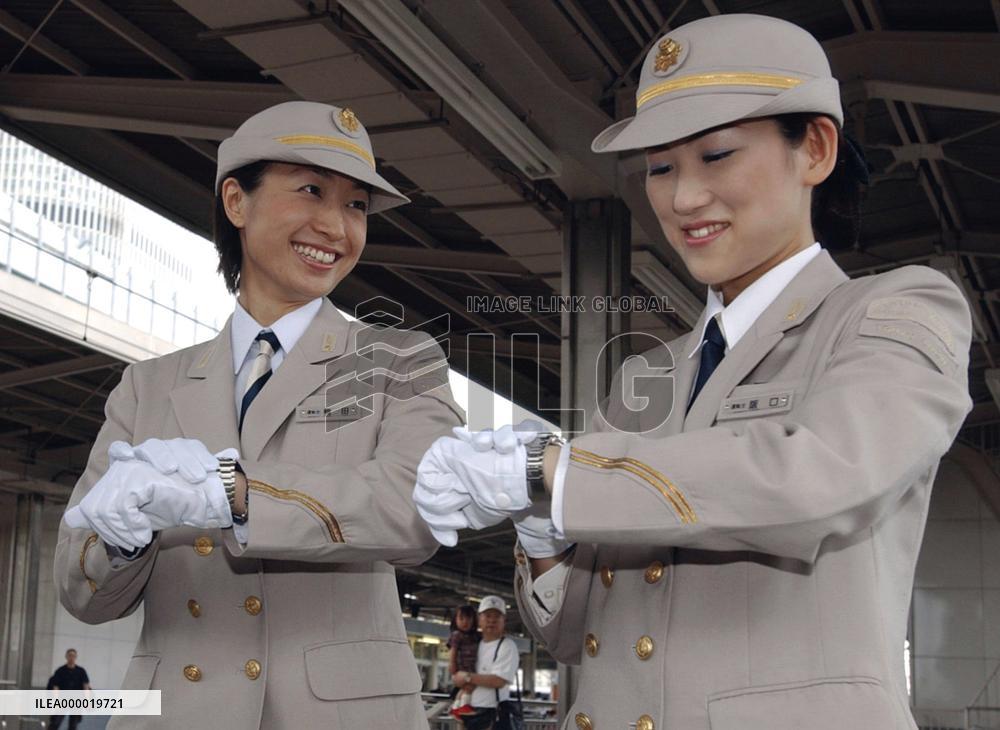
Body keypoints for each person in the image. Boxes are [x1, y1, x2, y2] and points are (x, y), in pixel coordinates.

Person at [413, 13, 973, 730]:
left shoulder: (889, 311)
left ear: (817, 150)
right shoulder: (646, 379)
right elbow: (580, 635)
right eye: (660, 167)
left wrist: (553, 473)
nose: (682, 199)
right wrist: (541, 534)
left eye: (716, 155)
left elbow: (821, 477)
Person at [55, 100, 464, 729]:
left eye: (356, 205)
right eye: (311, 191)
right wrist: (118, 539)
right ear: (236, 202)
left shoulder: (400, 360)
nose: (336, 226)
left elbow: (421, 509)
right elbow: (83, 595)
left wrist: (240, 498)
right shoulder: (147, 386)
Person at [452, 596, 519, 730]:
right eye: (487, 615)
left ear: (504, 621)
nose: (491, 620)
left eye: (497, 616)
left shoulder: (507, 646)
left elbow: (498, 681)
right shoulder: (473, 644)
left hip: (493, 713)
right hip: (469, 712)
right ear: (479, 619)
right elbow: (457, 673)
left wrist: (466, 676)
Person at [447, 604, 481, 718]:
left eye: (468, 618)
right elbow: (453, 651)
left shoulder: (475, 636)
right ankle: (463, 706)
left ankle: (456, 707)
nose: (465, 622)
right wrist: (452, 665)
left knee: (464, 688)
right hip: (461, 669)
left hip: (470, 668)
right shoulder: (457, 635)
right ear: (455, 620)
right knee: (469, 687)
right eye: (461, 618)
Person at [47, 648, 90, 730]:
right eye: (70, 655)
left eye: (73, 656)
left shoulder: (81, 671)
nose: (71, 658)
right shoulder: (60, 671)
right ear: (66, 657)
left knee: (73, 725)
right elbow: (55, 687)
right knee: (55, 723)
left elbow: (86, 686)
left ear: (76, 657)